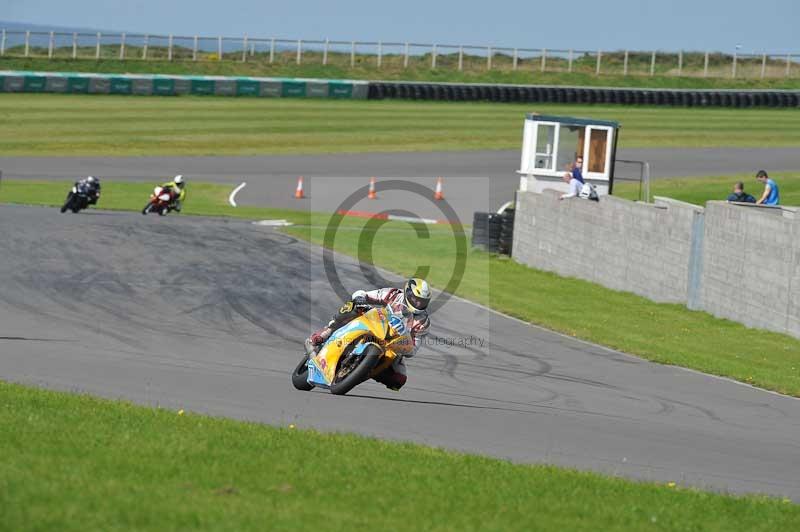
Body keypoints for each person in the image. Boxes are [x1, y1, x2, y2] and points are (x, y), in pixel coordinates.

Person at [304, 278, 432, 391]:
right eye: (416, 299)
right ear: (407, 292)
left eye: (422, 301)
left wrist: (405, 345)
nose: (418, 304)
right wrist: (360, 299)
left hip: (392, 344)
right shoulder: (394, 294)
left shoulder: (423, 321)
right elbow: (363, 294)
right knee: (353, 307)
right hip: (375, 322)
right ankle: (326, 333)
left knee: (399, 380)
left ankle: (363, 370)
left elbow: (414, 348)